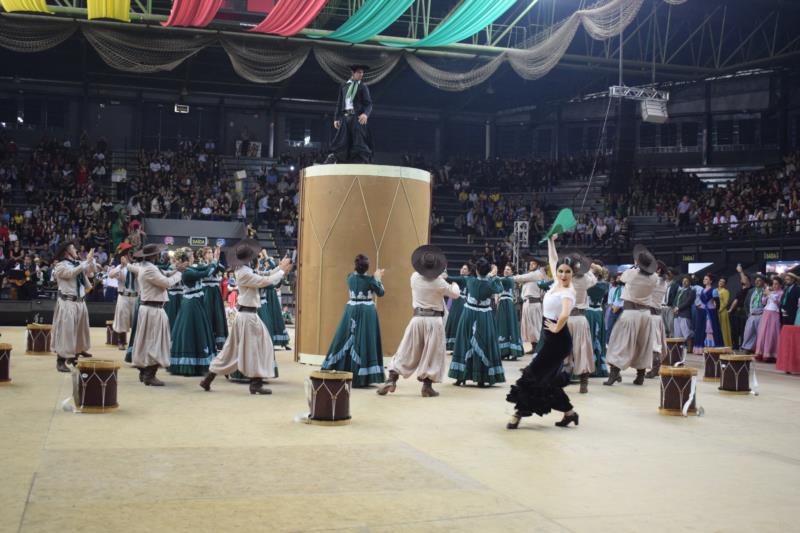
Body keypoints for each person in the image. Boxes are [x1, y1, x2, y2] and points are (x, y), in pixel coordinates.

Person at [506, 234, 579, 429]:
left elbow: (564, 313)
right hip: (552, 339)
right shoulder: (557, 283)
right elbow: (553, 260)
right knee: (548, 380)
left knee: (533, 373)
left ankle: (518, 414)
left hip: (558, 342)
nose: (563, 275)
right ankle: (569, 413)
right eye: (561, 271)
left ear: (573, 274)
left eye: (567, 272)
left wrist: (557, 325)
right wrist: (551, 241)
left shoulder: (568, 291)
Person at [200, 240, 292, 395]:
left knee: (231, 350)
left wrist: (279, 268)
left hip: (246, 315)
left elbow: (265, 274)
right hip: (248, 317)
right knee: (260, 347)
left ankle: (209, 378)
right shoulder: (244, 273)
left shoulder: (244, 270)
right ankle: (255, 383)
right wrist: (282, 271)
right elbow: (265, 281)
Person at [377, 246, 460, 398]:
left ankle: (391, 379)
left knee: (406, 349)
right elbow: (454, 294)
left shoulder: (414, 277)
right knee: (432, 354)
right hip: (434, 321)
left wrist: (440, 276)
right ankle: (427, 387)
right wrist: (453, 283)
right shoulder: (440, 283)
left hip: (417, 319)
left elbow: (429, 278)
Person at [320, 254, 386, 387]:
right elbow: (381, 292)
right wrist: (378, 278)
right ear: (367, 267)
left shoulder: (349, 277)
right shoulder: (370, 280)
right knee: (365, 340)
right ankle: (362, 376)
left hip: (350, 309)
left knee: (344, 337)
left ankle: (341, 369)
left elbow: (358, 278)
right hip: (367, 312)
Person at [128, 244, 185, 386]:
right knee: (155, 341)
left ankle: (144, 371)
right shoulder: (148, 270)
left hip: (150, 308)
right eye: (157, 253)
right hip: (153, 309)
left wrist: (176, 270)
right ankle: (149, 374)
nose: (159, 255)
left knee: (146, 341)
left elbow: (164, 275)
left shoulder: (147, 267)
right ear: (153, 256)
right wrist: (179, 273)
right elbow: (166, 283)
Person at [605, 245, 658, 386]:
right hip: (646, 314)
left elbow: (621, 278)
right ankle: (640, 375)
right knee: (643, 344)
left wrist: (635, 266)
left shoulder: (632, 273)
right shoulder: (654, 277)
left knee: (620, 343)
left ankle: (614, 373)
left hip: (630, 313)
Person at [448, 258, 505, 387]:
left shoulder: (470, 280)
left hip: (469, 314)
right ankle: (481, 378)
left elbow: (451, 278)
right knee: (485, 343)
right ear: (487, 271)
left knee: (464, 341)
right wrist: (493, 275)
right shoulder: (490, 283)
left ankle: (460, 377)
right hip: (485, 316)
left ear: (477, 270)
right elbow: (499, 289)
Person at [168, 248, 218, 377]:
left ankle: (198, 362)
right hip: (191, 304)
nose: (193, 258)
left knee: (196, 330)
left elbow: (204, 269)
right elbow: (206, 272)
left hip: (195, 303)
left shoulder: (191, 269)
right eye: (190, 257)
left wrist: (212, 262)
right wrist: (213, 262)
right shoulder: (187, 273)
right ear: (186, 260)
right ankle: (191, 363)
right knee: (192, 331)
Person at [51, 242, 96, 372]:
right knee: (66, 332)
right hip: (67, 302)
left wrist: (90, 261)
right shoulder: (60, 266)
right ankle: (60, 360)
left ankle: (74, 356)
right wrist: (84, 263)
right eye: (72, 248)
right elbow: (70, 274)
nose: (76, 249)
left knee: (80, 331)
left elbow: (91, 273)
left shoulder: (78, 264)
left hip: (80, 302)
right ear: (66, 252)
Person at [324, 65, 373, 164]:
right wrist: (336, 118)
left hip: (357, 117)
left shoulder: (363, 87)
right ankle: (335, 157)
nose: (361, 74)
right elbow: (339, 103)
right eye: (359, 72)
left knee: (359, 141)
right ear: (353, 73)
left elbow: (369, 104)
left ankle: (361, 161)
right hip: (345, 117)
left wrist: (365, 114)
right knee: (342, 140)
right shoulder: (344, 86)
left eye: (362, 72)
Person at [565, 253, 598, 394]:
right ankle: (583, 382)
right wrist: (588, 268)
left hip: (565, 318)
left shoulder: (564, 279)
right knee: (582, 350)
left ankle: (562, 379)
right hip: (579, 319)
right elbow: (594, 279)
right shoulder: (585, 280)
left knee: (562, 351)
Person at [256, 250, 290, 350]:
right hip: (264, 294)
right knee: (267, 320)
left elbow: (272, 268)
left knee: (275, 316)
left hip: (271, 294)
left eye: (261, 256)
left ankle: (280, 341)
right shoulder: (258, 268)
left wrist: (281, 266)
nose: (260, 257)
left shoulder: (266, 265)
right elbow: (267, 277)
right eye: (259, 256)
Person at [512, 256, 547, 354]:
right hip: (527, 303)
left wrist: (511, 277)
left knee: (535, 326)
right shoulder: (532, 275)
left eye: (533, 264)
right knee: (529, 327)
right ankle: (534, 347)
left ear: (538, 265)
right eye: (530, 264)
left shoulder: (537, 274)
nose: (531, 265)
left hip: (533, 303)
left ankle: (539, 347)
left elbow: (522, 278)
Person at [107, 243, 136, 350]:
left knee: (136, 319)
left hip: (135, 296)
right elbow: (110, 275)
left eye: (130, 254)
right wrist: (121, 266)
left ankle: (135, 342)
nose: (130, 255)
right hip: (123, 295)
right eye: (128, 254)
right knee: (122, 319)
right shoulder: (120, 268)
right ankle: (122, 341)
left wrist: (128, 264)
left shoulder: (135, 266)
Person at [199, 246, 228, 350]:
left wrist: (217, 259)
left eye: (211, 252)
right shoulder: (201, 265)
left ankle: (219, 341)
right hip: (206, 291)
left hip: (215, 291)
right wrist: (214, 261)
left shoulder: (215, 263)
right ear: (204, 255)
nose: (211, 254)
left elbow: (223, 269)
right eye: (209, 252)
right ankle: (207, 340)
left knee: (218, 314)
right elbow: (208, 272)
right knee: (207, 313)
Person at [645, 261, 669, 379]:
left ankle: (655, 367)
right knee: (654, 342)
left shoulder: (655, 280)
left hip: (652, 315)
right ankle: (653, 366)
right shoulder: (663, 281)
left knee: (654, 343)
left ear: (658, 270)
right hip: (655, 315)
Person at [496, 264, 525, 360]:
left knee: (507, 325)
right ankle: (505, 351)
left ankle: (510, 351)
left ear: (512, 272)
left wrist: (491, 274)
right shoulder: (505, 279)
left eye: (508, 269)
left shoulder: (509, 279)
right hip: (504, 303)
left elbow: (498, 279)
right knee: (504, 326)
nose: (506, 271)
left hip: (507, 304)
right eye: (505, 269)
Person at [444, 263, 473, 351]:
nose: (462, 270)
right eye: (462, 268)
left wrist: (444, 273)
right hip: (457, 301)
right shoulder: (464, 278)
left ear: (468, 272)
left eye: (465, 269)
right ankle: (455, 346)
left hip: (460, 302)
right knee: (454, 321)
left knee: (456, 321)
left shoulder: (464, 278)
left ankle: (456, 346)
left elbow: (449, 279)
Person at [754, 277, 783, 362]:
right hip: (766, 312)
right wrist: (765, 295)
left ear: (780, 285)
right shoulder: (772, 292)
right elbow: (763, 302)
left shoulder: (781, 292)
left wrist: (769, 293)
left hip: (774, 314)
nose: (774, 285)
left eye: (776, 284)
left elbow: (778, 302)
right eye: (773, 283)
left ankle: (771, 354)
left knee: (771, 333)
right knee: (763, 333)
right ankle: (761, 353)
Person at [695, 274, 725, 352]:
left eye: (707, 279)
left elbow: (718, 303)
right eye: (704, 279)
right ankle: (701, 348)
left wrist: (715, 309)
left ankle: (712, 347)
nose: (704, 280)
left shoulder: (714, 290)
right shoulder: (702, 290)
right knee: (701, 329)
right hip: (702, 312)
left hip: (710, 313)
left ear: (711, 281)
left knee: (710, 328)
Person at [739, 273, 767, 354]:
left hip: (761, 315)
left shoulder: (766, 291)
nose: (757, 282)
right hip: (752, 315)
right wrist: (748, 313)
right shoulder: (751, 291)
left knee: (760, 334)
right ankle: (747, 348)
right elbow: (746, 303)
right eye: (756, 280)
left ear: (763, 282)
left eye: (759, 281)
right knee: (748, 332)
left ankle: (758, 350)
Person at [672, 275, 694, 351]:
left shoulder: (691, 291)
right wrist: (674, 307)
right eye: (683, 281)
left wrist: (678, 308)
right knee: (677, 333)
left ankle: (689, 349)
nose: (684, 282)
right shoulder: (680, 291)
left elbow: (688, 302)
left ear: (690, 283)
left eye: (686, 281)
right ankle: (679, 350)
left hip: (685, 314)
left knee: (686, 332)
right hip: (677, 314)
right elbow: (674, 301)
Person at [605, 272, 624, 338]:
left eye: (613, 280)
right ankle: (608, 342)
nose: (611, 281)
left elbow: (623, 299)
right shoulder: (612, 289)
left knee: (620, 328)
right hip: (613, 309)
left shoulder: (624, 288)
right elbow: (609, 301)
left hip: (622, 309)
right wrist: (613, 307)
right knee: (610, 326)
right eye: (610, 280)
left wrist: (618, 307)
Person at [717, 277, 733, 347]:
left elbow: (725, 303)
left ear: (725, 284)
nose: (721, 283)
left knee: (723, 329)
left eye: (723, 282)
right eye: (720, 281)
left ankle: (725, 345)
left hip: (722, 312)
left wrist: (719, 310)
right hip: (715, 311)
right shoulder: (715, 290)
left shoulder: (725, 291)